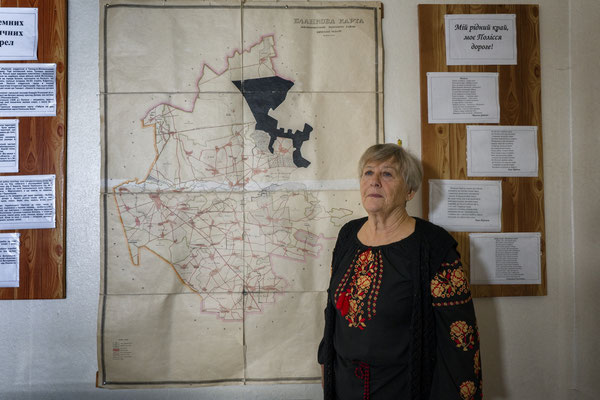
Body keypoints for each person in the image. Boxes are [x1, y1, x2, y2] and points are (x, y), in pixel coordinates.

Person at [318, 143, 482, 400]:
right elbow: (333, 311)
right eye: (368, 172)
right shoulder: (347, 235)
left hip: (404, 388)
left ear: (410, 191)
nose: (374, 181)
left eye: (387, 174)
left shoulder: (433, 247)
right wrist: (325, 366)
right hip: (345, 386)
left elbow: (459, 339)